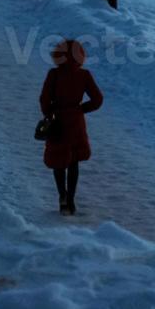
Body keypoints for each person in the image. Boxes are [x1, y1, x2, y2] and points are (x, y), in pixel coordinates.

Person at [40, 39, 104, 216]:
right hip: (76, 122)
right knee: (73, 161)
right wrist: (81, 109)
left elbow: (44, 99)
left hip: (58, 121)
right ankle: (71, 199)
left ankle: (62, 196)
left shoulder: (54, 74)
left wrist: (49, 114)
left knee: (58, 161)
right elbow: (98, 99)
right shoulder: (84, 75)